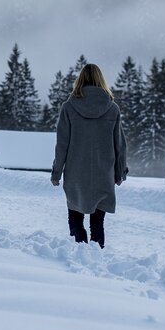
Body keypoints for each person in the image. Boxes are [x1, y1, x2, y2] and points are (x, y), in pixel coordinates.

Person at [50, 62, 128, 248]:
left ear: (80, 80)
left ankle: (81, 253)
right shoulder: (112, 108)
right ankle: (95, 257)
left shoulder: (69, 108)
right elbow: (120, 145)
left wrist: (56, 173)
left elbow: (62, 144)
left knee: (75, 219)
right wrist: (119, 173)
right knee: (98, 223)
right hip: (104, 174)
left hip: (76, 174)